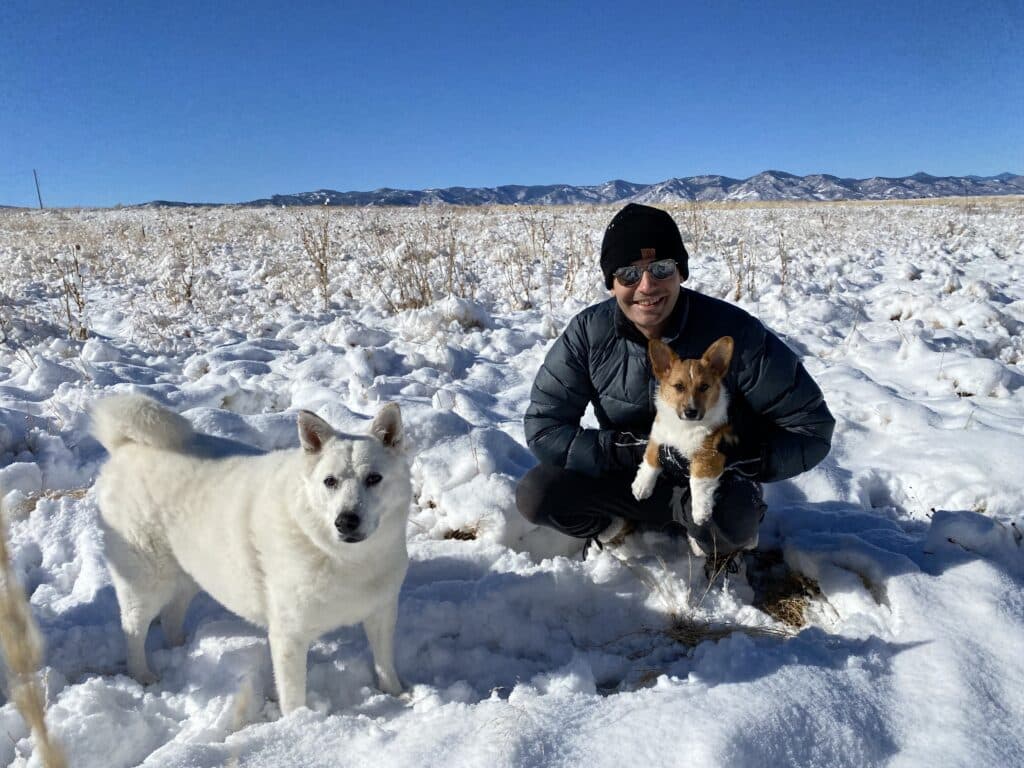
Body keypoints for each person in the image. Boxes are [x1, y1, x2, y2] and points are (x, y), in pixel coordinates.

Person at [516, 203, 835, 574]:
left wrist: (741, 456)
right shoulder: (588, 335)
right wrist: (627, 451)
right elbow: (544, 427)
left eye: (661, 269)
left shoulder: (733, 335)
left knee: (733, 516)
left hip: (709, 478)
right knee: (538, 494)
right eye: (629, 273)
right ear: (612, 281)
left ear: (680, 272)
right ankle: (616, 530)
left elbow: (812, 428)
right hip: (629, 475)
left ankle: (716, 547)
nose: (647, 286)